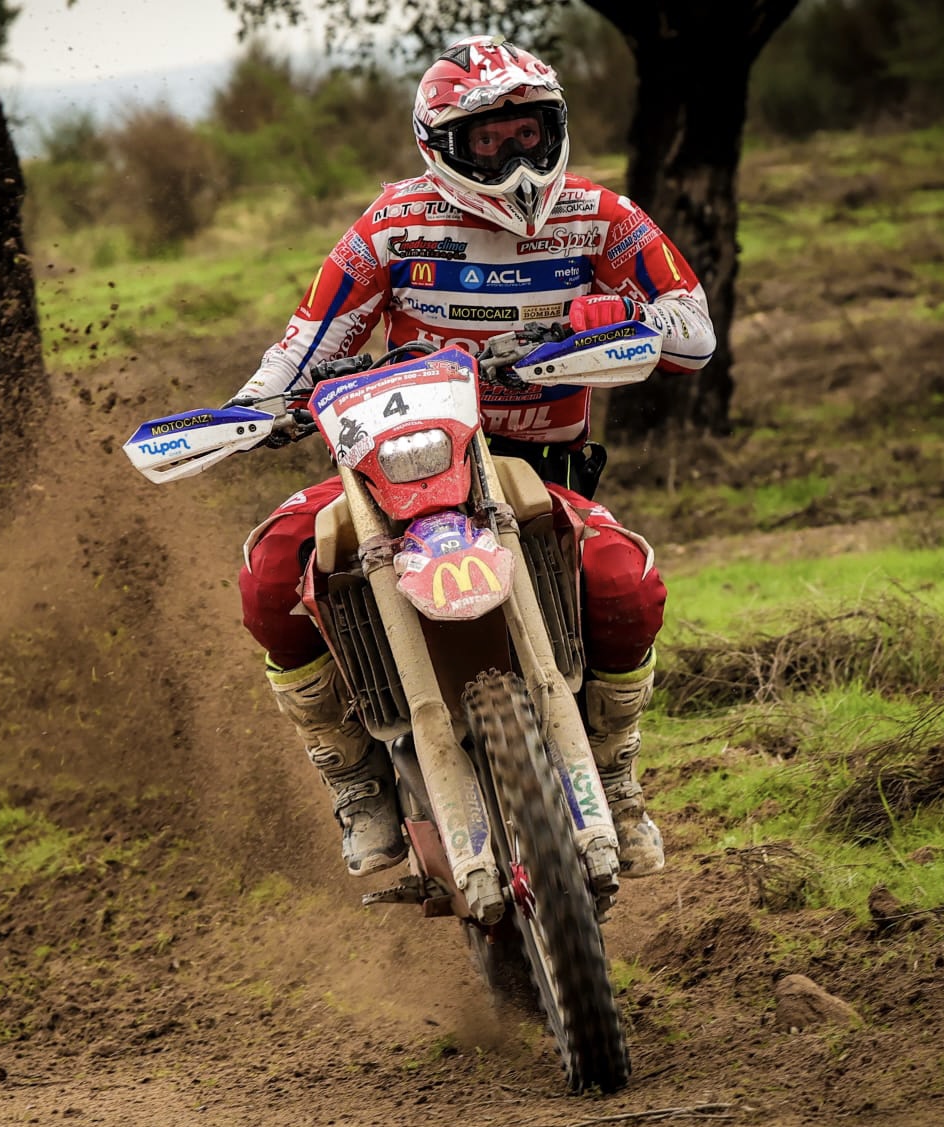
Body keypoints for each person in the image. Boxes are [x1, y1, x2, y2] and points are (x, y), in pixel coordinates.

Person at [233, 35, 716, 883]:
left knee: (623, 583)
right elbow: (303, 346)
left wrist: (605, 326)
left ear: (556, 125)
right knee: (274, 567)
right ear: (441, 144)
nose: (516, 155)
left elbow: (692, 327)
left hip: (535, 470)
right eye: (489, 139)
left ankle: (612, 770)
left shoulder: (603, 216)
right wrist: (254, 409)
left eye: (529, 131)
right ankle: (350, 771)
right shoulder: (390, 225)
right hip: (398, 468)